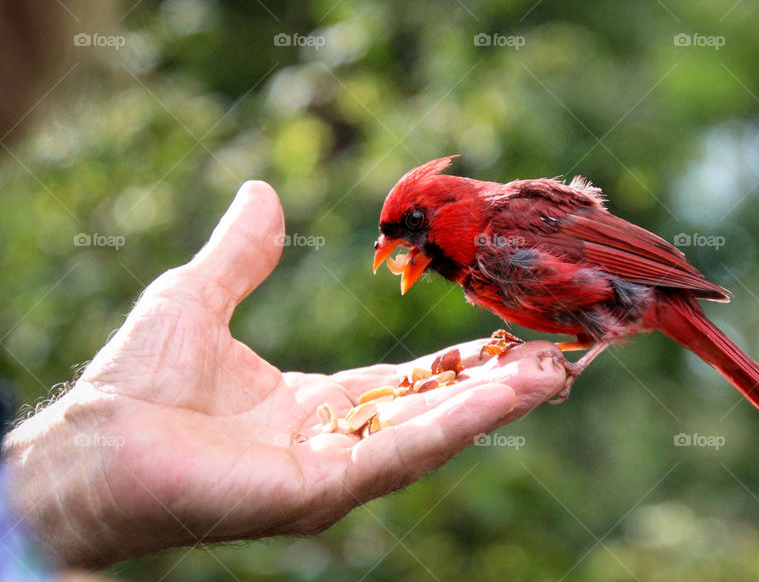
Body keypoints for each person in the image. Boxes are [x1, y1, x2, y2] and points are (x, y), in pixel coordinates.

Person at [1, 180, 566, 571]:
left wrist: (78, 470)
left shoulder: (506, 227)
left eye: (410, 227)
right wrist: (85, 466)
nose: (394, 249)